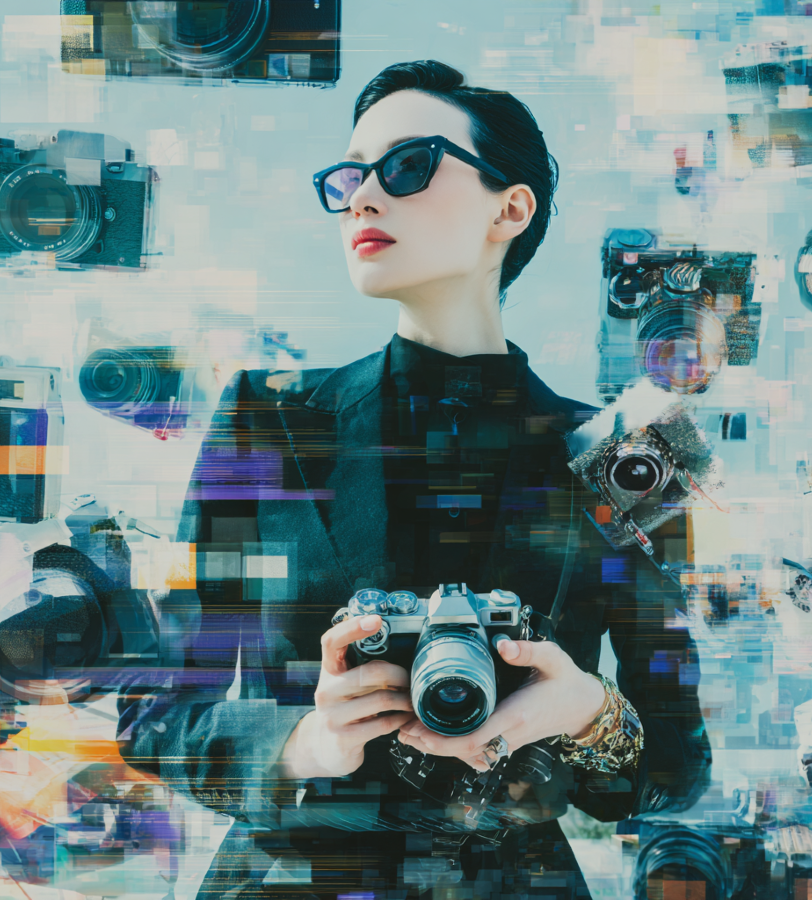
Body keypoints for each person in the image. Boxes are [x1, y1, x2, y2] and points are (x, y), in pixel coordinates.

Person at [118, 60, 711, 899]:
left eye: (406, 166)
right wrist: (306, 743)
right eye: (348, 177)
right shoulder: (266, 417)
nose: (362, 197)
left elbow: (676, 770)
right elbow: (157, 713)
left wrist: (585, 710)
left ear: (511, 207)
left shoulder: (631, 456)